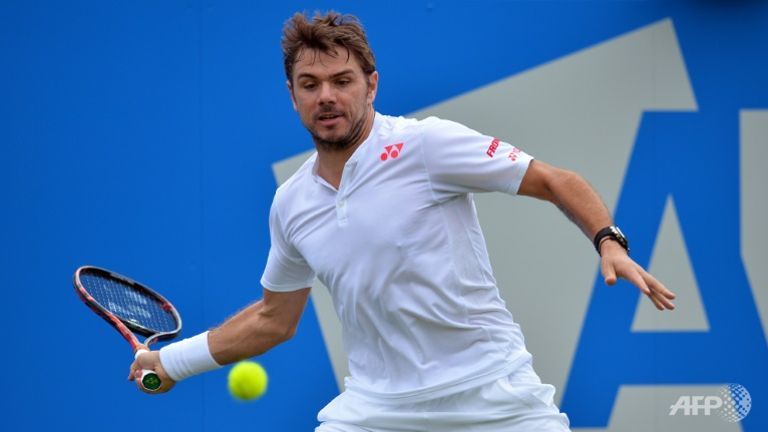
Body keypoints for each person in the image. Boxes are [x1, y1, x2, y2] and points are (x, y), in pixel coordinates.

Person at [130, 11, 676, 432]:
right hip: (377, 409)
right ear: (291, 95)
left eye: (342, 80)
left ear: (372, 84)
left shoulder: (426, 145)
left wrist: (608, 240)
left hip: (493, 396)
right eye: (310, 84)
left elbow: (556, 180)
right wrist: (172, 363)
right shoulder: (291, 204)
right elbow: (274, 319)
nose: (327, 96)